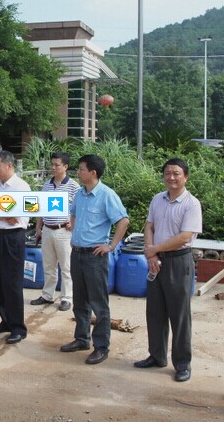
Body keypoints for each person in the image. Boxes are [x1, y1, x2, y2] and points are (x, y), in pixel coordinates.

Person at [134, 158, 202, 383]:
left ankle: (182, 364)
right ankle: (156, 356)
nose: (171, 177)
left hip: (178, 261)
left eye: (176, 173)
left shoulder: (192, 204)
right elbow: (149, 225)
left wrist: (155, 249)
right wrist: (151, 254)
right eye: (167, 173)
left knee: (179, 315)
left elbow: (185, 236)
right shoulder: (157, 199)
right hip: (156, 262)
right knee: (155, 311)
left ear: (185, 176)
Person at [61, 154, 129, 365]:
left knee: (99, 304)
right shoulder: (80, 194)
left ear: (93, 172)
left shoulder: (107, 195)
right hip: (78, 253)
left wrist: (111, 245)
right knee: (80, 300)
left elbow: (123, 221)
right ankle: (82, 339)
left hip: (94, 256)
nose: (78, 172)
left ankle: (101, 347)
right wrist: (73, 232)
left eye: (81, 169)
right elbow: (73, 214)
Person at [0, 150, 31, 345]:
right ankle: (5, 320)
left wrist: (2, 215)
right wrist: (4, 215)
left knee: (12, 283)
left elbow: (19, 218)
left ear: (9, 166)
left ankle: (18, 327)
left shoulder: (22, 188)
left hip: (13, 238)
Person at [31, 151, 80, 311]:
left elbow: (80, 209)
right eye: (52, 164)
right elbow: (41, 208)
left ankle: (66, 297)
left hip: (63, 232)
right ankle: (47, 295)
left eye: (56, 165)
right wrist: (38, 228)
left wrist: (73, 224)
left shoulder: (73, 186)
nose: (53, 167)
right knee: (48, 265)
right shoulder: (46, 185)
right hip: (47, 230)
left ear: (65, 166)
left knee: (66, 267)